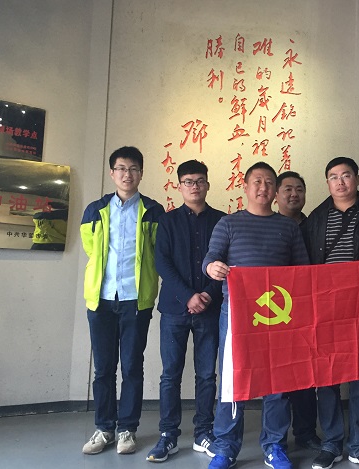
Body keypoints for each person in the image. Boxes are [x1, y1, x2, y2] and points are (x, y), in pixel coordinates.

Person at [203, 162, 310, 469]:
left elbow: (302, 271)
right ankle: (226, 446)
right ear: (246, 187)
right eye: (257, 182)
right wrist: (212, 268)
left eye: (269, 183)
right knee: (233, 378)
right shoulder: (228, 223)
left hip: (279, 316)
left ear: (275, 191)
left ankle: (275, 445)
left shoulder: (288, 227)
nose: (263, 187)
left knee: (277, 380)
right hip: (237, 314)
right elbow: (211, 258)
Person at [303, 157, 359, 469]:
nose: (340, 182)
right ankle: (331, 443)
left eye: (346, 175)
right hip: (325, 309)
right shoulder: (316, 218)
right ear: (327, 182)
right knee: (326, 379)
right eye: (333, 177)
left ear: (356, 178)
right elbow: (306, 268)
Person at [80, 146, 164, 455]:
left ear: (141, 173)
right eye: (121, 168)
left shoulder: (153, 211)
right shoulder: (96, 210)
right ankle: (104, 428)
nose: (127, 174)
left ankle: (127, 428)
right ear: (112, 173)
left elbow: (158, 251)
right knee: (103, 368)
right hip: (101, 299)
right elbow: (91, 248)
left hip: (135, 300)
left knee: (131, 366)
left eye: (133, 169)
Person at [146, 160, 225, 463]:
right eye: (188, 181)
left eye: (200, 180)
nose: (194, 186)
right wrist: (188, 295)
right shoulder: (167, 221)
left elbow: (226, 262)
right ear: (179, 186)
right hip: (174, 309)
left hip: (209, 307)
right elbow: (162, 263)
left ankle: (204, 432)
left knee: (206, 375)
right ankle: (168, 435)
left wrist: (208, 294)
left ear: (207, 184)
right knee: (170, 375)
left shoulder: (221, 221)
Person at [275, 171, 322, 452]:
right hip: (276, 309)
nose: (294, 194)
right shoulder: (269, 224)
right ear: (276, 194)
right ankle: (276, 437)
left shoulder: (315, 224)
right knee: (279, 375)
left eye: (300, 189)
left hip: (307, 308)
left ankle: (306, 431)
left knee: (307, 373)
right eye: (288, 189)